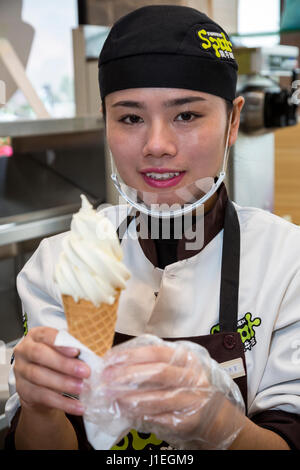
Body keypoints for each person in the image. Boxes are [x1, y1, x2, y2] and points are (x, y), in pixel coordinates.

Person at [4, 5, 300, 450]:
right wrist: (39, 406)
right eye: (129, 118)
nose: (156, 145)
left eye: (186, 116)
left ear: (233, 121)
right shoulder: (60, 263)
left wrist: (220, 423)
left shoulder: (288, 264)